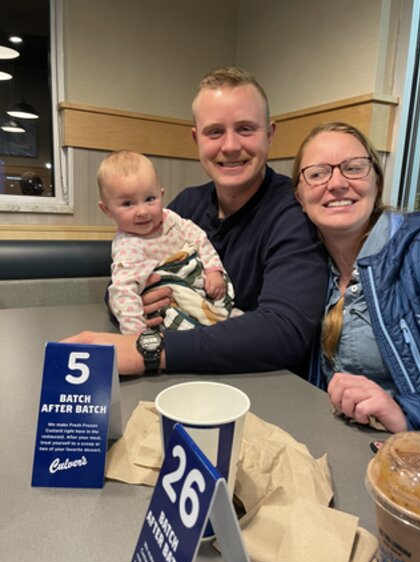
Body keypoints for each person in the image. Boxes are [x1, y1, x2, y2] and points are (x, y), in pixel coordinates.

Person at [63, 66, 328, 375]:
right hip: (177, 377)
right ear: (196, 138)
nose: (230, 146)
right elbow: (122, 275)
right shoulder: (186, 204)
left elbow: (284, 332)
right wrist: (138, 301)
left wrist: (148, 350)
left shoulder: (294, 212)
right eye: (214, 132)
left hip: (261, 383)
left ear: (269, 135)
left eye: (245, 128)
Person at [292, 121, 420, 435]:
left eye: (353, 168)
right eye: (318, 174)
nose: (337, 183)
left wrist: (405, 412)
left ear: (376, 182)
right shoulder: (303, 266)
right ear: (299, 197)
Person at [98, 150, 239, 334]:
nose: (142, 212)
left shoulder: (170, 218)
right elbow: (123, 294)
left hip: (198, 283)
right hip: (171, 300)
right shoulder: (128, 249)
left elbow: (199, 238)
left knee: (221, 303)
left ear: (161, 194)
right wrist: (137, 335)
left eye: (150, 199)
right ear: (107, 210)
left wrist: (213, 270)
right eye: (128, 204)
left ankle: (222, 315)